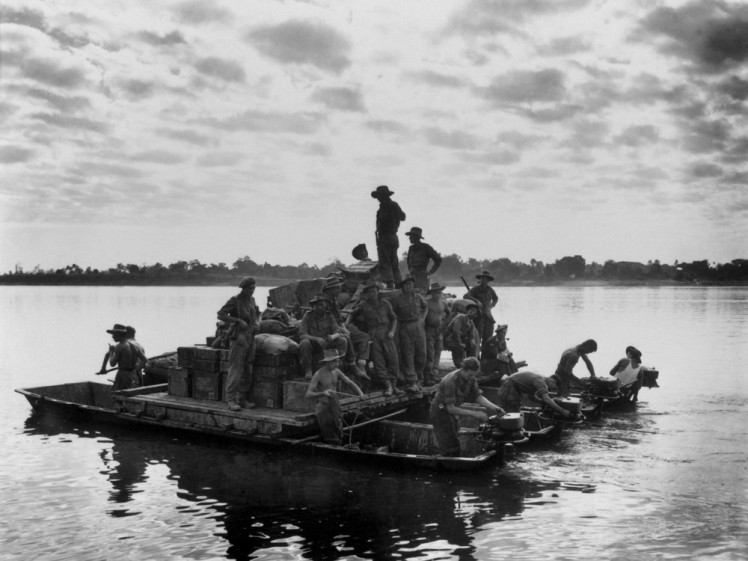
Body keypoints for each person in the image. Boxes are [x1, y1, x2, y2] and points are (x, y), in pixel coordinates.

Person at [429, 357, 505, 457]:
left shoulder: (471, 378)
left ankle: (448, 459)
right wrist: (474, 413)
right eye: (470, 374)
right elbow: (450, 408)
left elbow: (478, 397)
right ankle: (446, 464)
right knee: (451, 444)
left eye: (474, 375)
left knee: (454, 438)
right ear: (463, 370)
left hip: (453, 411)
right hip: (440, 411)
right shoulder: (450, 381)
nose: (472, 377)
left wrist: (495, 408)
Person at [346, 281, 400, 396]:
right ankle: (388, 386)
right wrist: (347, 324)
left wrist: (392, 331)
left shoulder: (386, 304)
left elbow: (394, 318)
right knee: (378, 361)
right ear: (366, 294)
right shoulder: (363, 305)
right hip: (373, 334)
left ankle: (394, 385)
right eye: (369, 292)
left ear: (378, 291)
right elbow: (352, 314)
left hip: (386, 334)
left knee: (393, 359)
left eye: (374, 291)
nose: (372, 294)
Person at [217, 276, 261, 411]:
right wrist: (237, 321)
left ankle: (242, 398)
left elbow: (258, 314)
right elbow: (221, 314)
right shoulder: (235, 300)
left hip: (250, 337)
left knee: (248, 368)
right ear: (244, 288)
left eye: (254, 288)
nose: (252, 291)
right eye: (250, 288)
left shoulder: (252, 300)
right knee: (236, 368)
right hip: (239, 337)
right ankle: (230, 399)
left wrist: (258, 323)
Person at [306, 349, 365, 445]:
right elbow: (308, 394)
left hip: (335, 406)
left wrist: (360, 393)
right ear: (328, 362)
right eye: (335, 361)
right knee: (331, 437)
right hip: (324, 409)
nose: (338, 363)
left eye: (338, 361)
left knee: (339, 431)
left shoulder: (337, 372)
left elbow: (350, 382)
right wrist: (323, 393)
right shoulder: (318, 374)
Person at [321, 278, 370, 382]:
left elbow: (340, 319)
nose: (339, 290)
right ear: (329, 290)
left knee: (364, 337)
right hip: (328, 331)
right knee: (346, 337)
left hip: (338, 328)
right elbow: (328, 323)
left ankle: (361, 363)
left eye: (339, 287)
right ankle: (352, 365)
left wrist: (344, 328)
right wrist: (343, 331)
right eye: (336, 288)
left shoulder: (335, 302)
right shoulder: (323, 304)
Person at [389, 274, 428, 392]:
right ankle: (412, 381)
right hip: (404, 327)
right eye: (405, 284)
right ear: (402, 287)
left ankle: (417, 377)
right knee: (408, 354)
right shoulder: (397, 300)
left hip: (418, 326)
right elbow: (392, 315)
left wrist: (422, 319)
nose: (407, 286)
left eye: (409, 284)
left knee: (422, 354)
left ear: (413, 285)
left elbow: (425, 307)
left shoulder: (419, 297)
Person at [298, 293, 349, 380]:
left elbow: (337, 331)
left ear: (325, 305)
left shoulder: (329, 316)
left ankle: (337, 366)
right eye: (317, 305)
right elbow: (302, 335)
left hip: (327, 344)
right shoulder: (308, 315)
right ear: (314, 306)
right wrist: (317, 339)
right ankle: (308, 369)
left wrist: (331, 337)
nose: (319, 307)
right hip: (313, 345)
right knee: (304, 343)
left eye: (322, 304)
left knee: (342, 340)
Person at [495, 369, 572, 417]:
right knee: (514, 414)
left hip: (509, 387)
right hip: (509, 387)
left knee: (512, 412)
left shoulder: (539, 379)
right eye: (553, 386)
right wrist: (563, 411)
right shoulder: (541, 381)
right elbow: (546, 399)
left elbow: (531, 396)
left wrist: (541, 402)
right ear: (553, 381)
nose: (551, 388)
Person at [371, 185, 406, 288]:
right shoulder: (394, 205)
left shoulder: (385, 207)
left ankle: (390, 285)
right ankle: (399, 284)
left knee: (385, 262)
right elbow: (403, 217)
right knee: (394, 262)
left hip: (385, 237)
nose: (377, 199)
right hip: (393, 237)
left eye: (379, 196)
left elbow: (383, 223)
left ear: (382, 196)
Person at [424, 282, 449, 386]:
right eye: (435, 292)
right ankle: (427, 375)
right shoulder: (426, 302)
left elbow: (448, 313)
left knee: (438, 350)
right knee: (430, 353)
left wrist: (444, 323)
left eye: (439, 292)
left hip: (439, 330)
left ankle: (434, 373)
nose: (437, 294)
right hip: (428, 329)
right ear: (432, 293)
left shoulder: (443, 303)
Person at [467, 271, 499, 352]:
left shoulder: (490, 289)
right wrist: (476, 301)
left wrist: (492, 306)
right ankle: (476, 355)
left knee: (488, 337)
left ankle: (485, 356)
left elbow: (495, 298)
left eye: (485, 279)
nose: (484, 280)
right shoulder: (475, 288)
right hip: (478, 315)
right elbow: (466, 295)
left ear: (488, 280)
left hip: (488, 315)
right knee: (477, 336)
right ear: (480, 279)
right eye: (482, 278)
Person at [104, 323, 140, 391]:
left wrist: (111, 352)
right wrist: (136, 371)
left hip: (123, 377)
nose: (112, 337)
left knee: (119, 397)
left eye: (114, 334)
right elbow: (144, 360)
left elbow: (112, 364)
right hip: (133, 376)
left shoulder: (119, 346)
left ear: (119, 334)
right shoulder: (133, 345)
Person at [405, 227, 442, 291]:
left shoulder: (426, 247)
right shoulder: (411, 248)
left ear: (416, 237)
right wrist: (410, 271)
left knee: (422, 295)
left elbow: (438, 260)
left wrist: (430, 272)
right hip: (411, 278)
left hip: (422, 278)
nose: (409, 238)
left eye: (411, 236)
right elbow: (408, 262)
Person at [444, 303, 480, 368]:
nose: (471, 311)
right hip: (451, 338)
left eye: (473, 310)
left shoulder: (471, 322)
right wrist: (460, 343)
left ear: (476, 315)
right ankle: (460, 365)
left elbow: (471, 335)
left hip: (459, 339)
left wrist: (472, 342)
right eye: (470, 309)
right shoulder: (461, 317)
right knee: (459, 349)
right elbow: (456, 331)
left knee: (472, 347)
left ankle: (470, 364)